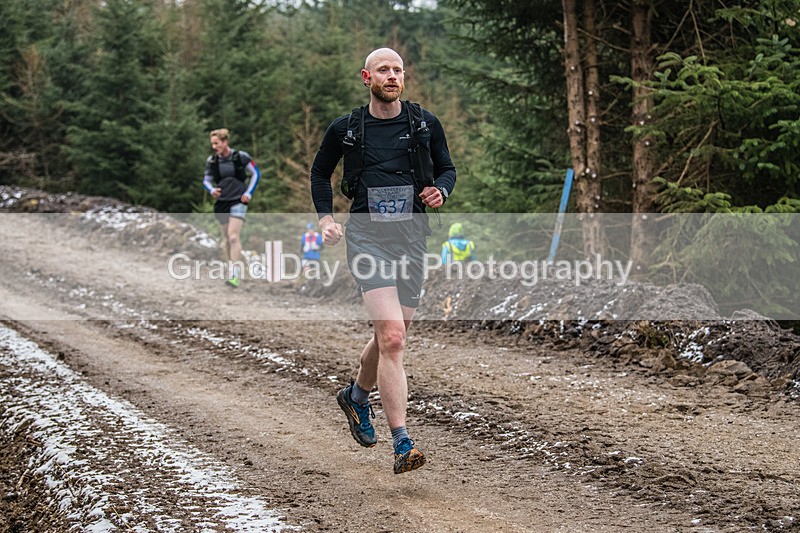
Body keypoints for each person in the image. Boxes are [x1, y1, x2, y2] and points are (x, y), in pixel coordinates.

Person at [310, 47, 456, 474]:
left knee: (393, 333)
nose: (392, 76)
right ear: (366, 76)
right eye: (383, 70)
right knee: (392, 337)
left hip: (412, 238)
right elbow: (320, 173)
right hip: (367, 238)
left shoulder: (425, 124)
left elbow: (447, 169)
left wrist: (440, 191)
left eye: (398, 70)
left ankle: (355, 396)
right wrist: (325, 219)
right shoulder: (347, 128)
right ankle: (402, 441)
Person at [202, 128, 261, 288]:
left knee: (233, 237)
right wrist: (212, 190)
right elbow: (206, 180)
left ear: (225, 142)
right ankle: (231, 267)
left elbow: (256, 173)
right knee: (227, 239)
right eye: (212, 144)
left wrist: (249, 192)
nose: (214, 146)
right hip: (222, 202)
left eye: (217, 143)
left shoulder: (240, 157)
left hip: (239, 200)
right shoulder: (212, 161)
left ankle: (235, 274)